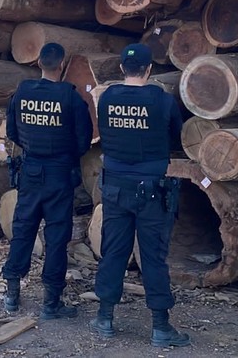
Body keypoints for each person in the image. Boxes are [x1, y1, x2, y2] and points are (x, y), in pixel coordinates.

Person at [90, 43, 189, 347]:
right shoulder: (162, 100)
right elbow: (177, 134)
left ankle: (105, 317)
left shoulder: (106, 98)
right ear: (149, 70)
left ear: (122, 68)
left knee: (113, 252)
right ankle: (160, 327)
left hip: (115, 186)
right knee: (154, 257)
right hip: (152, 189)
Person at [1, 42, 93, 320]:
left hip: (30, 171)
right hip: (59, 174)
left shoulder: (22, 92)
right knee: (56, 238)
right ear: (62, 65)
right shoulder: (71, 98)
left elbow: (12, 132)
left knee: (23, 230)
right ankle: (51, 303)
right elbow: (83, 141)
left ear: (38, 64)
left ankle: (12, 295)